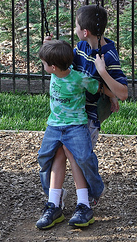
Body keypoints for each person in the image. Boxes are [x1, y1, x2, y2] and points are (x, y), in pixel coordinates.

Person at [45, 5, 129, 220]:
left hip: (88, 115)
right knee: (60, 153)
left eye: (76, 26)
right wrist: (51, 49)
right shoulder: (81, 46)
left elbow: (123, 93)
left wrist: (103, 74)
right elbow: (66, 65)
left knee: (79, 156)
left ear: (85, 31)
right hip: (72, 109)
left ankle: (87, 199)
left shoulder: (109, 55)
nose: (74, 28)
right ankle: (57, 200)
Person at [35, 39, 104, 230]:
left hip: (76, 127)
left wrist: (107, 85)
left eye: (45, 63)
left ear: (54, 67)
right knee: (45, 158)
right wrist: (46, 43)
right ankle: (54, 203)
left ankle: (86, 202)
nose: (43, 66)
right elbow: (54, 54)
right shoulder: (55, 72)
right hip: (54, 127)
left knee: (82, 158)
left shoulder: (79, 78)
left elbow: (97, 88)